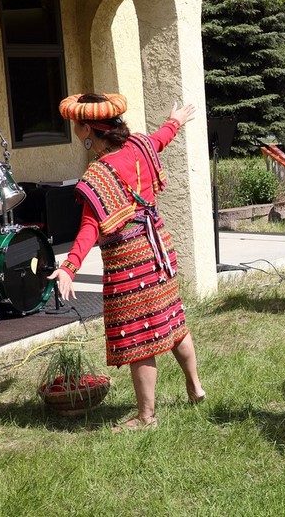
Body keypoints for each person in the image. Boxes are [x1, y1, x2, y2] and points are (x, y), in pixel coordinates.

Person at [49, 93, 205, 431]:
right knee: (172, 319)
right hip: (159, 247)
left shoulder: (99, 173)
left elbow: (90, 226)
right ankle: (195, 386)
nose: (76, 132)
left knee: (139, 336)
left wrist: (69, 266)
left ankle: (147, 417)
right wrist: (175, 119)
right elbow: (162, 137)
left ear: (88, 130)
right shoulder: (140, 145)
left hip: (129, 258)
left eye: (77, 128)